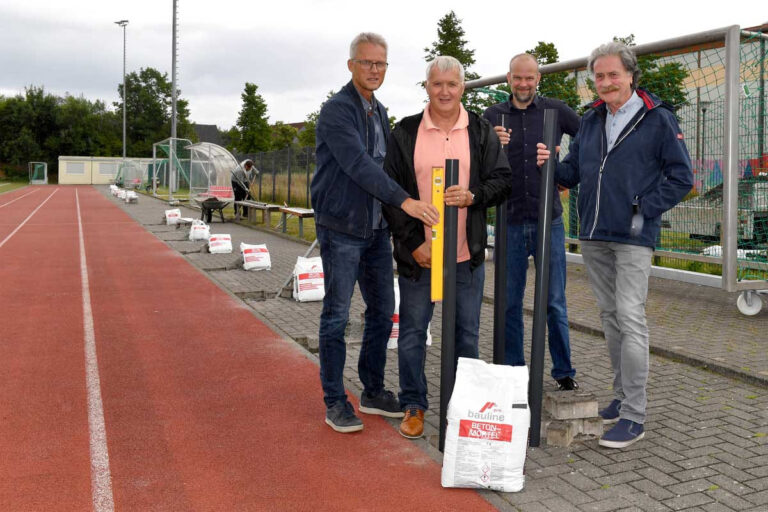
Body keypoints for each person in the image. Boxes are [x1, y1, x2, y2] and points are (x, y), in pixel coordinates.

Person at [537, 41, 693, 448]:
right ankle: (621, 398)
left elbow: (681, 177)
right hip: (592, 233)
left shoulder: (657, 119)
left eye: (612, 74)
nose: (605, 82)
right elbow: (575, 171)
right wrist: (553, 162)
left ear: (629, 75)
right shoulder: (590, 120)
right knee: (609, 318)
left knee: (630, 317)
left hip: (633, 236)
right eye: (599, 76)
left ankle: (635, 416)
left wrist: (642, 208)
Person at [311, 32, 439, 434]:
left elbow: (389, 167)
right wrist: (406, 202)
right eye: (366, 63)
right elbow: (360, 166)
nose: (374, 70)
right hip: (343, 229)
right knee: (337, 315)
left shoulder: (380, 112)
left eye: (380, 64)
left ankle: (372, 390)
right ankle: (335, 400)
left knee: (383, 312)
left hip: (377, 231)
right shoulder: (337, 111)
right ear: (351, 65)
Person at [383, 56, 512, 439]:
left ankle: (463, 409)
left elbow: (502, 181)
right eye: (436, 84)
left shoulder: (481, 130)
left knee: (467, 336)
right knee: (411, 334)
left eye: (451, 85)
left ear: (463, 88)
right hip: (420, 257)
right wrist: (411, 244)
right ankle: (414, 406)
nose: (444, 91)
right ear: (426, 86)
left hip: (463, 257)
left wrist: (473, 195)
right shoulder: (405, 132)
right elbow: (391, 193)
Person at [483, 53, 581, 391]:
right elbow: (477, 163)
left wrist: (563, 164)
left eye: (530, 78)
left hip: (548, 220)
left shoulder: (555, 109)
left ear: (538, 78)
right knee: (509, 301)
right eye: (517, 78)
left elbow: (587, 136)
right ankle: (513, 372)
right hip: (508, 220)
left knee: (553, 300)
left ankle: (563, 371)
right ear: (508, 78)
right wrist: (490, 144)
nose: (524, 84)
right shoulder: (492, 115)